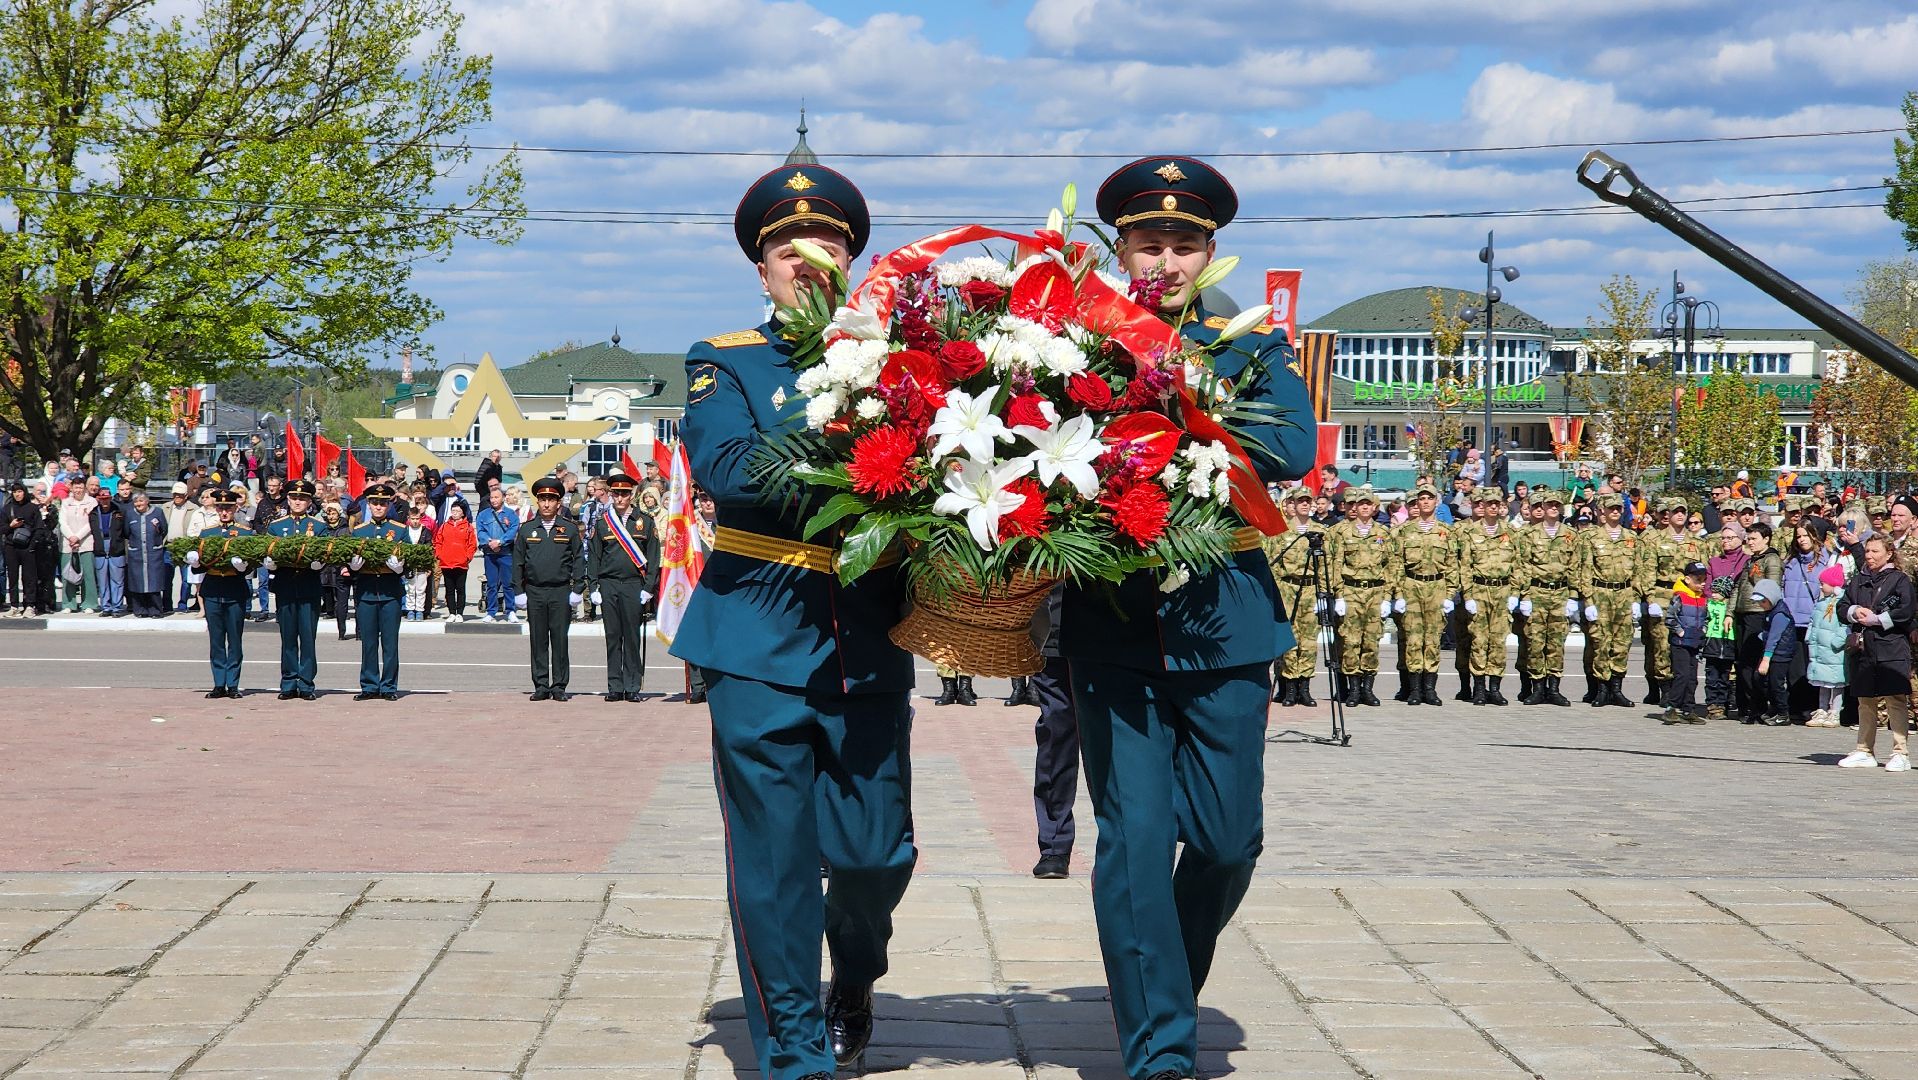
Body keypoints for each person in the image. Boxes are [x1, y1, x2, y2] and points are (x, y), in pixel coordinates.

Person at [1062, 154, 1315, 1080]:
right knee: (1132, 843)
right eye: (1146, 242)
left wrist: (1186, 406)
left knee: (1225, 841)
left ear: (1211, 252)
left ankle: (1160, 982)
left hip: (1225, 622)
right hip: (1114, 622)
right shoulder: (1076, 336)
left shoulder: (1248, 342)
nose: (1163, 259)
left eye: (1183, 243)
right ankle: (1161, 1049)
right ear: (1120, 249)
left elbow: (1290, 445)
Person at [667, 161, 916, 1077]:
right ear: (761, 268)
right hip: (755, 635)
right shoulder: (725, 359)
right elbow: (731, 473)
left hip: (869, 638)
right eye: (786, 249)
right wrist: (857, 423)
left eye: (831, 247)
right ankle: (794, 1052)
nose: (809, 260)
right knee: (773, 867)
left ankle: (854, 975)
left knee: (872, 857)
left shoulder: (909, 357)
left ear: (854, 261)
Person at [1838, 535, 1914, 770]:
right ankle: (1864, 749)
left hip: (1891, 646)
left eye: (1875, 552)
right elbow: (1842, 606)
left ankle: (1900, 752)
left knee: (1895, 699)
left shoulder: (1899, 579)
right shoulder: (1859, 579)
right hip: (1864, 648)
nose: (1869, 556)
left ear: (1889, 553)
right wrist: (1854, 611)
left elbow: (1907, 610)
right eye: (1868, 551)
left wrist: (1880, 620)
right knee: (1865, 700)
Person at [584, 472, 660, 702]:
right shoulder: (602, 523)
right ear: (610, 494)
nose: (619, 498)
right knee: (613, 636)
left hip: (633, 585)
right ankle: (615, 686)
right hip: (608, 584)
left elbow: (653, 557)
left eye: (624, 494)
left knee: (632, 636)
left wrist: (648, 587)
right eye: (615, 493)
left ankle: (633, 686)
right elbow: (595, 557)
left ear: (632, 495)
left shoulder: (644, 522)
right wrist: (594, 586)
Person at [513, 476, 582, 701]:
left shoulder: (569, 529)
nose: (546, 504)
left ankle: (559, 685)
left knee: (560, 640)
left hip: (560, 591)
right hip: (534, 591)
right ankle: (541, 684)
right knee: (538, 639)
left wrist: (577, 589)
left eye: (550, 499)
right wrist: (519, 592)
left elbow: (579, 560)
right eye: (542, 499)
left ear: (558, 502)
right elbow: (518, 562)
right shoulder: (526, 529)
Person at [1027, 585, 1078, 879]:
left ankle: (1127, 839)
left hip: (1114, 637)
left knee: (1116, 743)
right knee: (1056, 734)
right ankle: (1054, 846)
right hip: (1052, 632)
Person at [1456, 487, 1521, 705]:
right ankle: (1480, 688)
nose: (1493, 507)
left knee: (1498, 642)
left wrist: (1515, 592)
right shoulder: (1470, 533)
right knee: (1479, 640)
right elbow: (1465, 566)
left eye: (1497, 503)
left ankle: (1495, 688)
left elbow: (1517, 566)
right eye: (1489, 503)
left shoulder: (1511, 533)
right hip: (1479, 589)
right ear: (1482, 506)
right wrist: (1468, 595)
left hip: (1502, 591)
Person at [1389, 483, 1452, 706]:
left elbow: (1452, 564)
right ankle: (1415, 689)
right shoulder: (1405, 531)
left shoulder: (1446, 531)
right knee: (1414, 640)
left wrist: (1450, 595)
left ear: (1437, 502)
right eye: (1421, 499)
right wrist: (1398, 594)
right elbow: (1396, 563)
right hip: (1411, 586)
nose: (1425, 502)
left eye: (1429, 498)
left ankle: (1430, 689)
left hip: (1437, 587)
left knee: (1433, 640)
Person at [1327, 485, 1390, 706]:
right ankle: (1353, 690)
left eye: (1367, 504)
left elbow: (1391, 566)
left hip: (1375, 592)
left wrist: (1388, 597)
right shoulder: (1343, 532)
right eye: (1359, 504)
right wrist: (1339, 595)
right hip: (1351, 591)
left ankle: (1367, 690)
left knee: (1371, 642)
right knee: (1351, 642)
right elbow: (1336, 565)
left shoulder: (1383, 533)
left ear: (1374, 508)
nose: (1363, 508)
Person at [1639, 497, 1705, 706]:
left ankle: (1682, 692)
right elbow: (1647, 571)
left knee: (1685, 645)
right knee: (1662, 646)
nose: (1679, 515)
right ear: (1667, 514)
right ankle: (1665, 689)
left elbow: (1704, 575)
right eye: (1675, 511)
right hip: (1663, 595)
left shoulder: (1697, 543)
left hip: (1688, 599)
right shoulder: (1655, 540)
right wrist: (1650, 599)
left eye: (1683, 511)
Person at [264, 478, 325, 700]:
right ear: (287, 499)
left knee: (308, 638)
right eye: (294, 497)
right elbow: (267, 550)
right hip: (286, 586)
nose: (298, 502)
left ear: (309, 502)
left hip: (309, 587)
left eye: (303, 498)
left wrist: (321, 564)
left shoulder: (318, 527)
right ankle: (288, 682)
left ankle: (307, 683)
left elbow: (326, 552)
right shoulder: (276, 526)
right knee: (288, 637)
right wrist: (269, 563)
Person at [1576, 492, 1639, 707]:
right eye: (1611, 508)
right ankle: (1601, 688)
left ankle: (1616, 688)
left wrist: (1636, 598)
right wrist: (1588, 601)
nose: (1615, 511)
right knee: (1600, 643)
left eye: (1618, 508)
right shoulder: (1591, 538)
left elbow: (1638, 571)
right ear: (1601, 510)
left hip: (1624, 594)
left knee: (1622, 643)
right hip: (1600, 593)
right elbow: (1584, 571)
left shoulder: (1632, 538)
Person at [191, 487, 254, 697]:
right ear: (215, 508)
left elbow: (252, 563)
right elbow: (198, 566)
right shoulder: (207, 533)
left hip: (234, 589)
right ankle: (219, 683)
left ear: (235, 508)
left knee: (235, 640)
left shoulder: (244, 533)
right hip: (213, 588)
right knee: (216, 640)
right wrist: (194, 561)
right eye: (220, 507)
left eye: (228, 507)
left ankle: (233, 684)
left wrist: (244, 566)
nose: (224, 512)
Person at [1516, 489, 1577, 706]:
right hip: (1536, 592)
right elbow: (1522, 565)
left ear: (1560, 508)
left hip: (1560, 593)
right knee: (1535, 641)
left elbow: (1574, 567)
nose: (1552, 508)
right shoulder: (1529, 535)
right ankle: (1537, 687)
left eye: (1555, 505)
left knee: (1557, 642)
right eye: (1548, 505)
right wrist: (1524, 595)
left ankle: (1554, 688)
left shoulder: (1570, 534)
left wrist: (1574, 596)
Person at [348, 484, 408, 701]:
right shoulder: (360, 531)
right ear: (369, 505)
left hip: (390, 592)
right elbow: (350, 559)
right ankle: (369, 685)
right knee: (369, 642)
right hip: (366, 592)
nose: (379, 507)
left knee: (390, 643)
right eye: (375, 503)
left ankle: (389, 686)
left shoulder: (400, 530)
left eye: (383, 503)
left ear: (389, 505)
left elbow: (409, 559)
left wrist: (400, 567)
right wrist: (353, 565)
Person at [1266, 487, 1324, 706]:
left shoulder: (1320, 531)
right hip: (1288, 588)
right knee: (1289, 640)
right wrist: (1277, 595)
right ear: (1291, 503)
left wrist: (1325, 595)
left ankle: (1304, 688)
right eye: (1300, 501)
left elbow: (1326, 566)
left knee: (1309, 640)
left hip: (1311, 589)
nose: (1305, 504)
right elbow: (1275, 566)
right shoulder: (1281, 531)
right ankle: (1289, 687)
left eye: (1308, 501)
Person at [1663, 560, 1710, 724]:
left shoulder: (1703, 599)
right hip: (1681, 643)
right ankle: (1671, 707)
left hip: (1695, 643)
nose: (1702, 583)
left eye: (1704, 579)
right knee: (1681, 675)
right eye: (1698, 580)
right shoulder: (1680, 597)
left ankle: (1688, 709)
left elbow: (1706, 618)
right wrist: (1680, 631)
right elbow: (1670, 618)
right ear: (1688, 579)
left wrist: (1703, 629)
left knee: (1692, 678)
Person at [1805, 563, 1849, 729]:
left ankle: (1835, 711)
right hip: (1820, 649)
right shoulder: (1821, 603)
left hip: (1834, 651)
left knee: (1836, 683)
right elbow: (1813, 621)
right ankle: (1822, 709)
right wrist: (1810, 637)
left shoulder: (1841, 602)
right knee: (1822, 682)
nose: (1821, 586)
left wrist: (1837, 641)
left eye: (1823, 583)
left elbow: (1846, 625)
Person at [476, 485, 520, 623]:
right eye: (492, 497)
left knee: (508, 583)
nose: (494, 500)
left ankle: (511, 611)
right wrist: (490, 542)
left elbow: (513, 530)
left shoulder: (511, 514)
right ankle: (491, 611)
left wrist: (500, 542)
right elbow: (480, 530)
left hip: (506, 553)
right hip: (490, 553)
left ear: (503, 498)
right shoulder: (484, 514)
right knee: (491, 584)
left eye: (497, 497)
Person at [123, 491, 169, 617]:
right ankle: (140, 610)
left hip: (153, 553)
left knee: (153, 581)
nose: (139, 504)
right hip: (136, 553)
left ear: (147, 501)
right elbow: (127, 532)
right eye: (136, 501)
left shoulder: (157, 512)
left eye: (141, 501)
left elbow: (163, 529)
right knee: (138, 582)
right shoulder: (130, 513)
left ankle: (155, 610)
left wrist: (156, 541)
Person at [3, 480, 43, 615]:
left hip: (28, 547)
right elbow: (2, 528)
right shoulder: (7, 508)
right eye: (14, 492)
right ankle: (14, 606)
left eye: (19, 491)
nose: (17, 494)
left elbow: (39, 528)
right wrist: (11, 526)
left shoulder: (32, 507)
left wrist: (32, 545)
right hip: (11, 546)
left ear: (24, 492)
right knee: (12, 577)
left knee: (29, 577)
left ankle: (30, 605)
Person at [89, 484, 129, 617]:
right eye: (102, 498)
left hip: (116, 549)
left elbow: (126, 530)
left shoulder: (119, 511)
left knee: (117, 580)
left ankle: (117, 607)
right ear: (98, 499)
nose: (104, 501)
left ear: (110, 498)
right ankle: (106, 607)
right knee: (103, 581)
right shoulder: (93, 513)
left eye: (106, 498)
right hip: (100, 549)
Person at [434, 501, 477, 624]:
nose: (455, 513)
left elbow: (472, 544)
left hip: (461, 564)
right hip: (446, 563)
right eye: (453, 511)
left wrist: (467, 557)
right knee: (449, 589)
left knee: (460, 589)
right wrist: (439, 554)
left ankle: (460, 613)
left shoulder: (468, 527)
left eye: (458, 511)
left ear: (463, 512)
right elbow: (438, 541)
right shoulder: (444, 526)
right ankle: (452, 612)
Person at [58, 481, 97, 613]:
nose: (78, 490)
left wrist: (78, 537)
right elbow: (62, 522)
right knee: (67, 574)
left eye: (80, 487)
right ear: (72, 488)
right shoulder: (66, 502)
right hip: (68, 543)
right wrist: (70, 536)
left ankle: (89, 603)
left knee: (88, 573)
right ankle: (69, 603)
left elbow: (91, 522)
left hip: (86, 542)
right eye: (76, 487)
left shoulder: (92, 502)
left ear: (84, 488)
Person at [321, 501, 355, 640]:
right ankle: (341, 631)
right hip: (329, 568)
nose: (331, 516)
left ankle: (359, 632)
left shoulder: (346, 529)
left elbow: (349, 548)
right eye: (329, 513)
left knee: (351, 601)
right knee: (338, 601)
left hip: (346, 569)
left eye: (334, 513)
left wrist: (344, 565)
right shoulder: (324, 529)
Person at [401, 503, 433, 621]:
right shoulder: (405, 531)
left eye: (417, 519)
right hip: (409, 564)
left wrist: (428, 566)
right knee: (409, 588)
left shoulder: (426, 531)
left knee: (421, 589)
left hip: (422, 565)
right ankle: (410, 609)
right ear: (408, 519)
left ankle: (419, 610)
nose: (415, 521)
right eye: (413, 519)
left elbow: (430, 549)